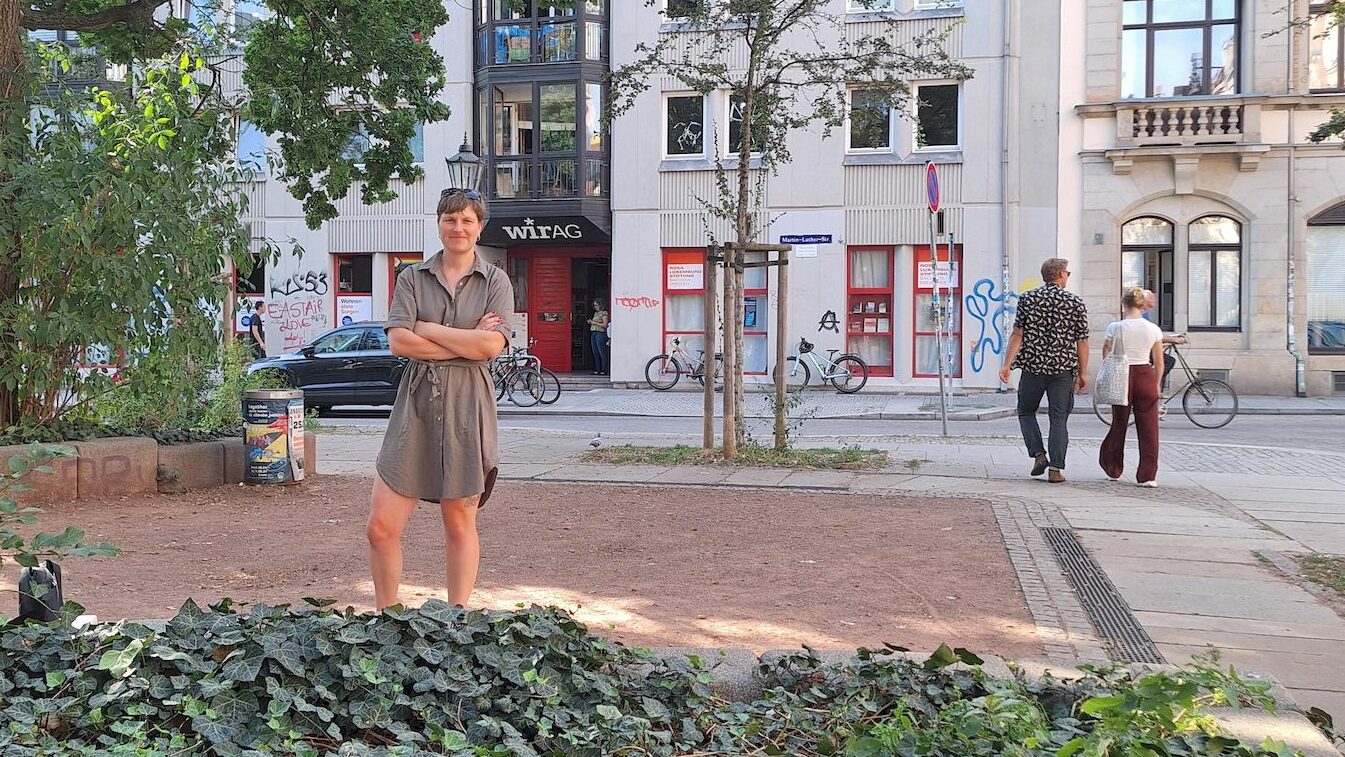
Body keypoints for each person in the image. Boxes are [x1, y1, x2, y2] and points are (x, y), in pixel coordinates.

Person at [367, 188, 514, 610]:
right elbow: (398, 341)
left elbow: (490, 348)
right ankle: (387, 618)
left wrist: (427, 328)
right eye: (450, 219)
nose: (458, 228)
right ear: (438, 224)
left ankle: (456, 619)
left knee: (459, 522)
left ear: (479, 227)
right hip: (415, 404)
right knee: (380, 526)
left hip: (469, 405)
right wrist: (465, 341)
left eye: (467, 220)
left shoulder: (496, 281)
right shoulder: (412, 277)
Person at [998, 258, 1090, 483]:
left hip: (1033, 367)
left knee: (1026, 412)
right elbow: (1082, 341)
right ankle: (1056, 470)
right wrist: (1083, 372)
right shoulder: (1074, 302)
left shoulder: (1028, 299)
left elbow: (1017, 334)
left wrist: (1007, 364)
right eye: (1067, 272)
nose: (1068, 276)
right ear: (1059, 274)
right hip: (1062, 369)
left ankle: (1039, 454)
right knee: (1058, 418)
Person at [1099, 287, 1165, 487]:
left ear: (1123, 304)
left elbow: (1106, 352)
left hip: (1122, 374)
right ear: (1142, 305)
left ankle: (1113, 468)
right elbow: (1159, 361)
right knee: (1149, 428)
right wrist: (1157, 383)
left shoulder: (1115, 327)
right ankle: (1147, 475)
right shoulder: (1153, 329)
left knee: (1119, 423)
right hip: (1145, 373)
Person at [1140, 289, 1186, 392]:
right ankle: (1152, 385)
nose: (1155, 300)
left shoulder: (1145, 313)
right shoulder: (1141, 314)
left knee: (1164, 361)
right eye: (1152, 298)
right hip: (1143, 350)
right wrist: (1175, 339)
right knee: (1168, 361)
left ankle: (1154, 384)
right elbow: (1151, 334)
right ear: (1146, 300)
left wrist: (1165, 342)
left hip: (1146, 347)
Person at [587, 299, 610, 375]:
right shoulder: (596, 314)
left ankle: (604, 369)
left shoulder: (604, 313)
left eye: (596, 305)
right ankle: (597, 369)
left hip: (600, 333)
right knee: (595, 352)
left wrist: (593, 322)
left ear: (601, 305)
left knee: (602, 352)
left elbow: (605, 325)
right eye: (594, 305)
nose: (595, 307)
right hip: (594, 333)